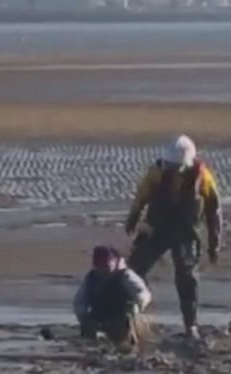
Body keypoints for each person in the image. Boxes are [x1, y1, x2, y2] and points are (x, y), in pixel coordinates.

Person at [124, 135, 222, 340]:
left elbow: (214, 211)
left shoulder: (203, 177)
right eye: (170, 166)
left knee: (187, 278)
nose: (172, 170)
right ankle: (132, 315)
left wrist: (214, 244)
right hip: (158, 227)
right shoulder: (156, 173)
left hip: (186, 231)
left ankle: (190, 325)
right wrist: (133, 219)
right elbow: (141, 197)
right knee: (133, 269)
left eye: (177, 167)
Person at [73, 245, 152, 348]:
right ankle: (91, 344)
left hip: (122, 315)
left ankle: (129, 342)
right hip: (99, 313)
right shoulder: (91, 278)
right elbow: (79, 301)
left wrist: (137, 306)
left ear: (115, 262)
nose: (102, 270)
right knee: (87, 323)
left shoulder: (126, 275)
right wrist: (82, 315)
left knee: (124, 325)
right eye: (99, 266)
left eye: (105, 266)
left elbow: (143, 293)